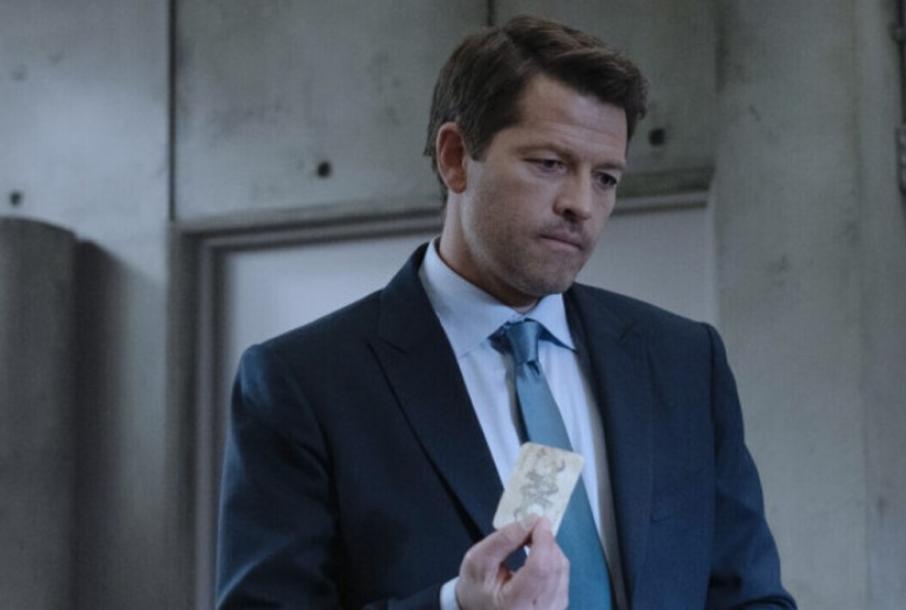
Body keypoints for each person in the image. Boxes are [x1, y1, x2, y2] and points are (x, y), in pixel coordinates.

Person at [216, 14, 796, 610]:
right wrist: (455, 607)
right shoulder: (306, 383)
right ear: (455, 158)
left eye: (605, 178)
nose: (581, 204)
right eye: (549, 164)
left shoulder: (683, 363)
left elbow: (752, 599)